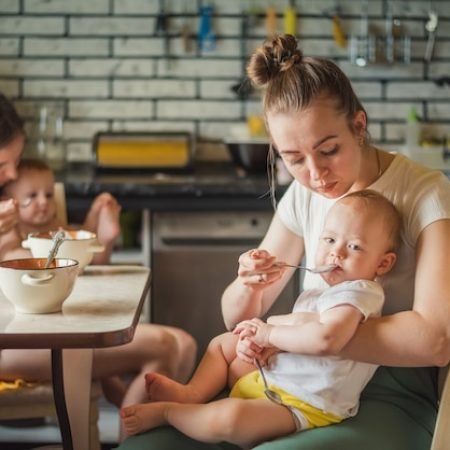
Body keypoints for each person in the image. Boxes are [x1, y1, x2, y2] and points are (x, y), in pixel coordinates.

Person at [116, 34, 450, 450]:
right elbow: (233, 317)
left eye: (329, 150)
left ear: (359, 126)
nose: (316, 174)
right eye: (294, 158)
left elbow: (435, 341)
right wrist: (248, 285)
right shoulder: (305, 193)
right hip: (289, 369)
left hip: (386, 388)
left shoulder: (426, 193)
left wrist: (290, 330)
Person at [119, 190, 400, 448]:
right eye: (329, 240)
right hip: (272, 376)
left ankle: (171, 413)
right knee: (225, 343)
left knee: (230, 420)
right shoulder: (322, 288)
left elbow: (326, 338)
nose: (335, 252)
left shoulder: (359, 292)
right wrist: (255, 337)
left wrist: (268, 334)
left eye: (354, 247)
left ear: (383, 264)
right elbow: (299, 326)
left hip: (302, 404)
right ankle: (193, 393)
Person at [0, 93, 197, 440]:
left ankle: (136, 434)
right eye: (5, 164)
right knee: (168, 346)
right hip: (12, 345)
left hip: (42, 329)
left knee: (182, 344)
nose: (12, 173)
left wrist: (96, 233)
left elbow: (55, 273)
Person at [0, 157, 121, 264]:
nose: (43, 201)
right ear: (7, 202)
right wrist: (52, 256)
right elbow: (9, 255)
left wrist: (93, 215)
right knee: (84, 257)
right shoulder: (12, 227)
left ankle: (106, 238)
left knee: (86, 248)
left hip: (68, 272)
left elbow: (78, 242)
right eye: (32, 196)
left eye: (49, 195)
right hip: (34, 279)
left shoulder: (54, 224)